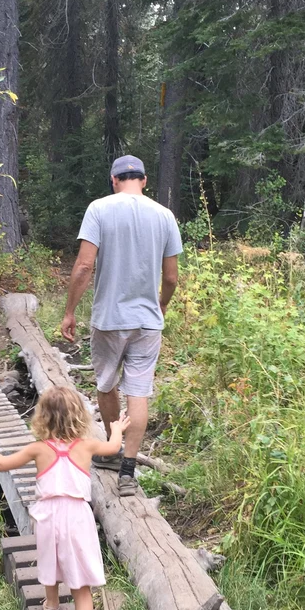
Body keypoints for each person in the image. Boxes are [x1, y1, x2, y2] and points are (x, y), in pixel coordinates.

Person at [0, 386, 130, 610]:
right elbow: (113, 448)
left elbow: (2, 464)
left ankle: (51, 604)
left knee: (50, 561)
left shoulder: (39, 448)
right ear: (79, 416)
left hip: (48, 516)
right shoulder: (85, 445)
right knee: (81, 585)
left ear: (43, 417)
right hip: (77, 515)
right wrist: (117, 428)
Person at [61, 155, 183, 496]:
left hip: (109, 320)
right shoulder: (164, 215)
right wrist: (160, 305)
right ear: (143, 180)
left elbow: (85, 266)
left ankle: (112, 451)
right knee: (139, 392)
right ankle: (128, 472)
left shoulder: (99, 209)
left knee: (106, 383)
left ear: (114, 180)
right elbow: (171, 278)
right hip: (147, 322)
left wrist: (69, 311)